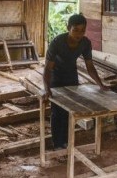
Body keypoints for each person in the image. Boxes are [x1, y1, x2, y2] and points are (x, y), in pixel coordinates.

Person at [43, 13, 109, 150]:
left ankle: (66, 142)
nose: (79, 34)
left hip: (72, 76)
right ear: (68, 28)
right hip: (56, 77)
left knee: (69, 111)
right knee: (57, 111)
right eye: (75, 30)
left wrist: (100, 84)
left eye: (82, 31)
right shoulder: (57, 42)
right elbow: (48, 69)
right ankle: (57, 143)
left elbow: (90, 67)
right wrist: (47, 89)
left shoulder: (85, 43)